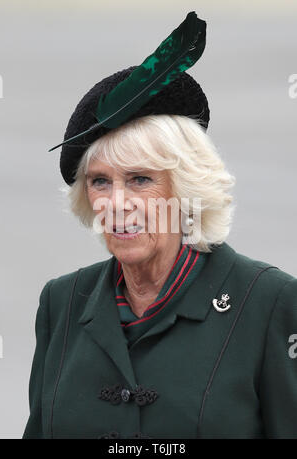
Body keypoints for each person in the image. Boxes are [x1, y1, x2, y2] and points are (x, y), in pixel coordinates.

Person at [23, 12, 297, 439]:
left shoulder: (270, 302)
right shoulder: (61, 302)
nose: (118, 204)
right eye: (100, 182)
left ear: (186, 188)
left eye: (140, 179)